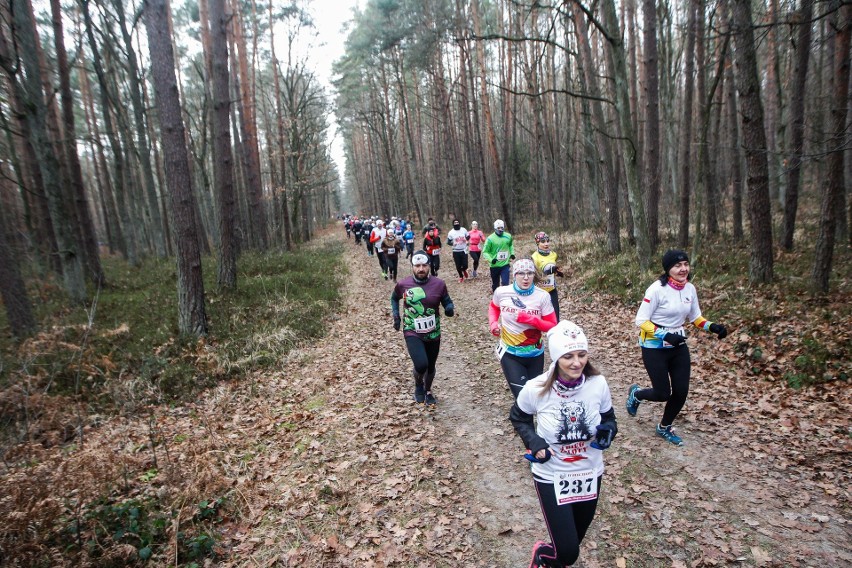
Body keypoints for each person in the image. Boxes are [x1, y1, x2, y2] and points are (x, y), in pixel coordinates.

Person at [510, 320, 618, 568]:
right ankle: (542, 555)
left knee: (571, 545)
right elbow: (518, 417)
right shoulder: (535, 388)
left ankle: (547, 559)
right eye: (568, 356)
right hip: (552, 475)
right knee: (568, 553)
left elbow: (610, 418)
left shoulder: (598, 384)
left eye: (582, 355)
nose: (577, 362)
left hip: (589, 472)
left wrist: (608, 431)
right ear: (556, 358)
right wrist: (534, 441)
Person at [626, 249, 729, 446]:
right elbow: (640, 320)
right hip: (653, 345)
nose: (683, 269)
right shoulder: (656, 289)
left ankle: (664, 427)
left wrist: (712, 327)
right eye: (677, 266)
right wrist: (665, 334)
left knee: (681, 391)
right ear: (668, 269)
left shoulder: (690, 289)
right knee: (662, 393)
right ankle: (637, 394)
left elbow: (695, 318)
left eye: (685, 264)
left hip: (678, 345)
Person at [390, 251, 456, 406]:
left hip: (433, 332)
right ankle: (418, 384)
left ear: (429, 266)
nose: (421, 269)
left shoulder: (439, 284)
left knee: (431, 366)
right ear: (412, 267)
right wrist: (396, 316)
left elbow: (447, 301)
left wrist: (449, 308)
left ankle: (427, 390)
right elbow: (394, 298)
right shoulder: (403, 284)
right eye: (417, 266)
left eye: (424, 265)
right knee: (421, 364)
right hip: (412, 330)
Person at [489, 258, 557, 399]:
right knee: (522, 397)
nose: (526, 278)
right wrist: (493, 323)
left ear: (534, 275)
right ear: (514, 275)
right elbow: (494, 307)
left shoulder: (542, 296)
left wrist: (531, 320)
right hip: (510, 353)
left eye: (530, 273)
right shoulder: (502, 292)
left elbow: (552, 325)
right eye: (521, 273)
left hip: (535, 353)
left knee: (535, 395)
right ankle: (522, 419)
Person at [531, 232, 564, 321]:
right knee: (540, 316)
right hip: (539, 290)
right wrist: (549, 271)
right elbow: (536, 274)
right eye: (543, 241)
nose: (546, 244)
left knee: (556, 314)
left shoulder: (553, 254)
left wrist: (557, 273)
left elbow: (552, 268)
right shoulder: (534, 257)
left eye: (547, 241)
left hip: (551, 288)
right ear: (537, 243)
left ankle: (556, 332)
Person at [482, 219, 515, 292]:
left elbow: (510, 245)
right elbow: (485, 252)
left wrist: (512, 253)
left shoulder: (508, 236)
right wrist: (491, 260)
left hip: (505, 264)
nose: (500, 230)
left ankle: (505, 298)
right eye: (498, 228)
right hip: (494, 265)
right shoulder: (490, 239)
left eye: (502, 228)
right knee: (495, 285)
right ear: (495, 228)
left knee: (505, 283)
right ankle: (496, 298)